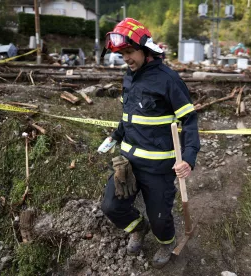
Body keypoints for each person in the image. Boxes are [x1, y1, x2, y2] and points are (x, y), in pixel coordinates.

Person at [100, 18, 200, 268]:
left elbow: (189, 120)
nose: (126, 59)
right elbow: (129, 117)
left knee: (161, 219)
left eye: (129, 52)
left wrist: (188, 159)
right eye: (122, 54)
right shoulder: (129, 77)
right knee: (111, 206)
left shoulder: (168, 80)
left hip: (159, 169)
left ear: (145, 49)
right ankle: (139, 228)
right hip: (129, 163)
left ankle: (166, 242)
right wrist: (116, 135)